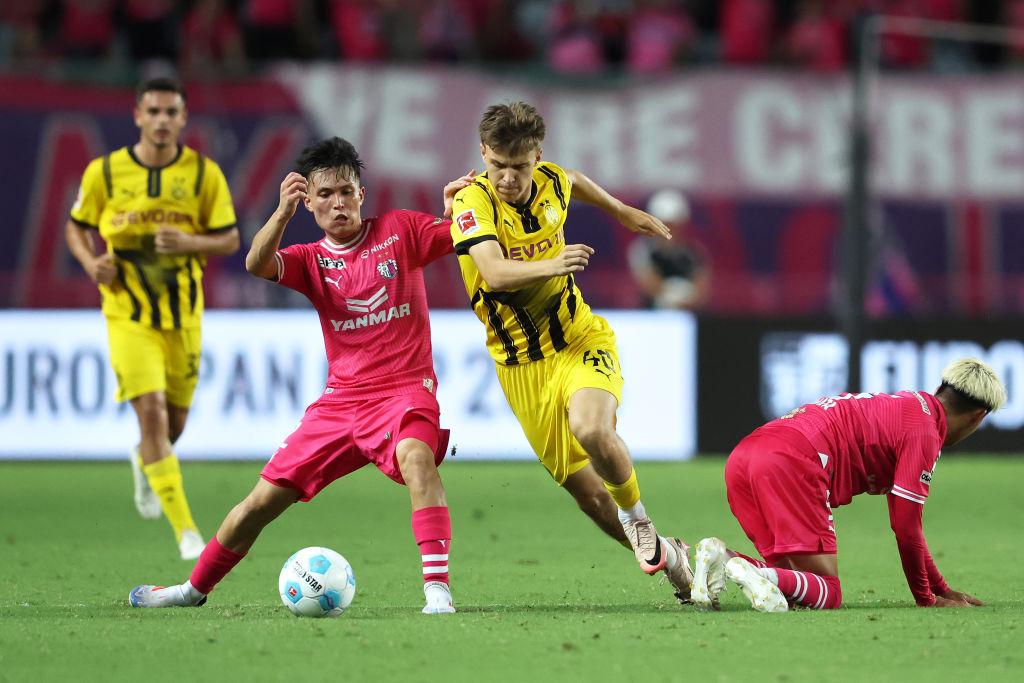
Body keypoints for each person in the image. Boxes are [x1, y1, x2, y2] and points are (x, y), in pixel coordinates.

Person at [129, 137, 470, 614]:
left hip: (403, 393)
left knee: (417, 457)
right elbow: (256, 264)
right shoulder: (311, 259)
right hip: (338, 405)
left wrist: (457, 209)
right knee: (259, 503)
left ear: (361, 194)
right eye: (325, 194)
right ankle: (191, 590)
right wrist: (281, 216)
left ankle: (437, 590)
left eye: (346, 191)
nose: (338, 203)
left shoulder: (400, 231)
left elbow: (460, 235)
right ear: (308, 201)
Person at [448, 101, 693, 601]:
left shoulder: (550, 181)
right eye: (498, 167)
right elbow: (493, 273)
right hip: (520, 368)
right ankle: (669, 554)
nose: (509, 178)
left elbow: (572, 180)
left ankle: (640, 519)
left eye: (520, 166)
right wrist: (552, 263)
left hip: (579, 339)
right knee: (590, 497)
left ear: (538, 156)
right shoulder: (470, 205)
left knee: (591, 428)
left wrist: (622, 211)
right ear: (483, 155)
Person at [65, 77, 240, 560]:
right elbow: (77, 228)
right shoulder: (105, 172)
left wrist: (190, 243)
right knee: (153, 414)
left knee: (173, 424)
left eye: (171, 112)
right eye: (154, 112)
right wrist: (90, 263)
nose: (162, 121)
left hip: (183, 316)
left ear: (183, 119)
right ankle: (187, 534)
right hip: (127, 314)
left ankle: (146, 461)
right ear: (138, 115)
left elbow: (227, 239)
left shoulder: (205, 176)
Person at [689, 358, 1006, 612]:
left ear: (941, 388)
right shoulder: (924, 433)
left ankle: (723, 557)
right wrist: (926, 597)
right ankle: (756, 573)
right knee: (829, 592)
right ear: (978, 417)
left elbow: (907, 527)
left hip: (747, 455)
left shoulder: (908, 405)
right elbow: (906, 527)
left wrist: (941, 587)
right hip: (795, 460)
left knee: (797, 585)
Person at [627, 189, 710, 310]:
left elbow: (702, 286)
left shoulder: (694, 251)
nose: (668, 229)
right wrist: (673, 296)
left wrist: (689, 299)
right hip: (650, 316)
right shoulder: (642, 250)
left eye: (673, 224)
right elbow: (648, 283)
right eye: (664, 224)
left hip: (689, 315)